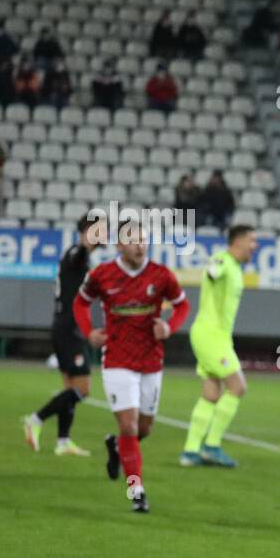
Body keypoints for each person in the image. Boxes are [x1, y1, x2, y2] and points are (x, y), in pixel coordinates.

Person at [72, 218, 190, 513]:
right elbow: (80, 303)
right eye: (133, 240)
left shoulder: (161, 275)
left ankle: (115, 446)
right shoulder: (102, 275)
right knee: (129, 424)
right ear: (119, 245)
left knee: (144, 428)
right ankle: (136, 490)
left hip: (151, 361)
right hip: (117, 360)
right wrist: (89, 333)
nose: (140, 245)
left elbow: (183, 305)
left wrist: (169, 327)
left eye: (143, 239)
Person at [22, 214, 105, 457]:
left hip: (66, 327)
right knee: (83, 388)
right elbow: (79, 254)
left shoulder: (82, 257)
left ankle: (63, 441)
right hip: (68, 329)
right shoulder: (76, 253)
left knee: (70, 387)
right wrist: (88, 243)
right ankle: (35, 419)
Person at [180, 225, 259, 468]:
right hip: (210, 335)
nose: (254, 246)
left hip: (216, 336)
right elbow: (213, 270)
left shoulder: (236, 268)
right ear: (238, 241)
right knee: (237, 387)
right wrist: (213, 270)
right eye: (251, 240)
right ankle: (211, 446)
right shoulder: (222, 260)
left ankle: (190, 451)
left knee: (211, 394)